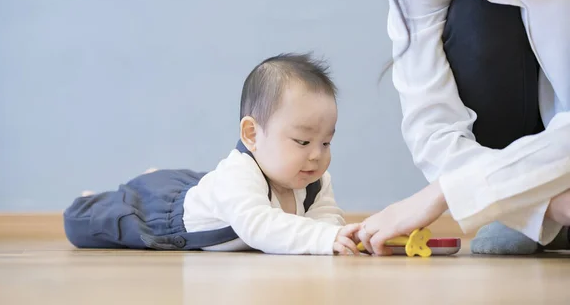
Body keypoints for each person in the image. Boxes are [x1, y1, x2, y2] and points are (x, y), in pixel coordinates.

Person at [357, 0, 570, 256]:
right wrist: (540, 204)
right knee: (473, 16)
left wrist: (447, 191)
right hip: (530, 158)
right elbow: (430, 118)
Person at [63, 53, 362, 255]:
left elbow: (325, 216)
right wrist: (322, 239)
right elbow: (258, 226)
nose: (316, 156)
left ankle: (152, 179)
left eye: (326, 143)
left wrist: (337, 237)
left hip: (203, 186)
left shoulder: (315, 179)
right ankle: (95, 200)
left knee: (181, 185)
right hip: (169, 217)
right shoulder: (239, 176)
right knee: (89, 223)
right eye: (302, 142)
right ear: (252, 135)